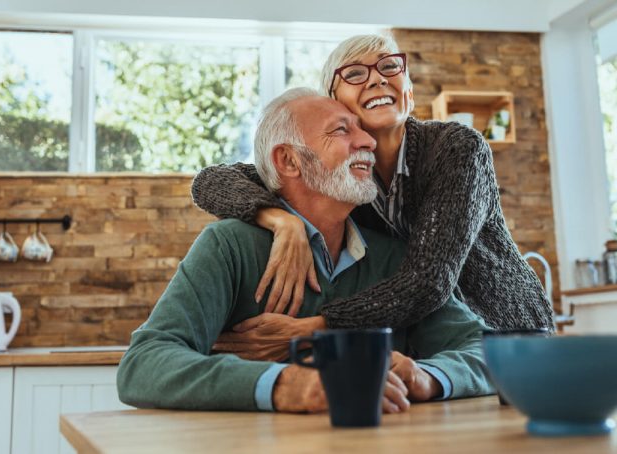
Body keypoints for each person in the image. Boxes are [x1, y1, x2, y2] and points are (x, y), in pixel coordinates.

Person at [117, 88, 494, 412]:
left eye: (361, 130)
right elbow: (143, 365)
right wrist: (286, 385)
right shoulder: (229, 246)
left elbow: (486, 351)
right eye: (342, 130)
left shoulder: (395, 258)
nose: (368, 141)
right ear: (289, 160)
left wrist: (426, 375)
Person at [190, 34, 554, 351]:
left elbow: (428, 282)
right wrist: (283, 222)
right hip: (429, 344)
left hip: (507, 333)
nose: (377, 79)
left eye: (389, 68)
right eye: (355, 74)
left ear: (408, 93)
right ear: (333, 101)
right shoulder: (340, 179)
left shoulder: (457, 149)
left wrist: (316, 328)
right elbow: (211, 181)